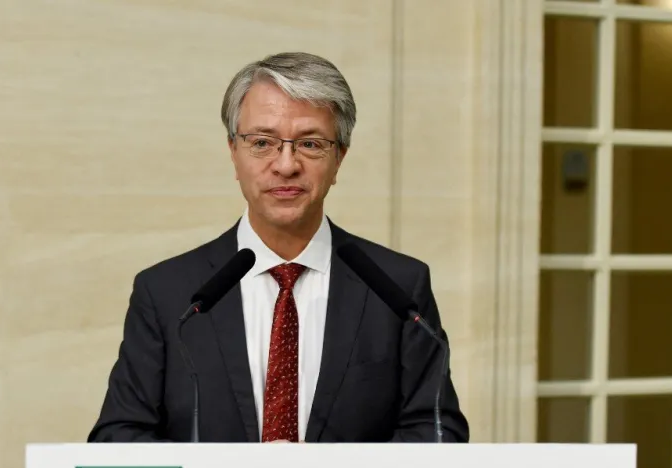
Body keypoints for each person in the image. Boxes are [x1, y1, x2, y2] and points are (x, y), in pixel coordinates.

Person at [87, 52, 469, 444]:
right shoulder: (169, 293)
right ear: (233, 153)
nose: (286, 165)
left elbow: (438, 432)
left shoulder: (398, 286)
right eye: (262, 142)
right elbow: (119, 437)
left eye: (310, 143)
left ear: (339, 159)